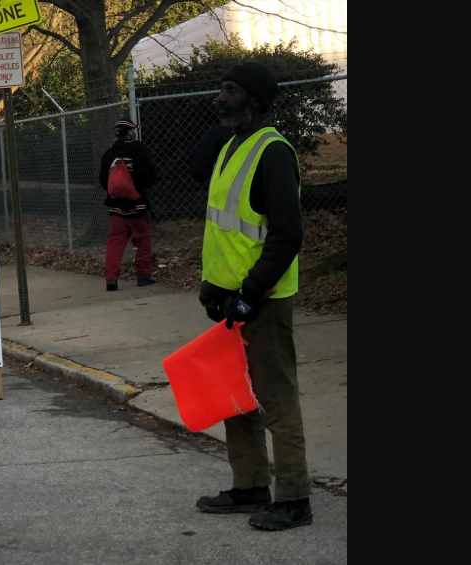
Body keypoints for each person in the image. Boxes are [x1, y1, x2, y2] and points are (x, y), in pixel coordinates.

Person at [194, 61, 311, 531]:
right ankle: (249, 486)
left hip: (262, 299)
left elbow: (287, 234)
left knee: (275, 397)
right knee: (233, 395)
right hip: (229, 297)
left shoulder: (273, 152)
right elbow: (223, 226)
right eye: (221, 89)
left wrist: (251, 291)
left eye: (231, 91)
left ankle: (294, 498)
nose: (221, 97)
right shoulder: (231, 145)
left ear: (257, 100)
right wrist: (213, 287)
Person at [97, 119, 157, 291]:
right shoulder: (138, 148)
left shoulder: (108, 154)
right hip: (137, 205)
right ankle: (143, 275)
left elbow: (103, 180)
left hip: (116, 207)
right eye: (133, 130)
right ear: (130, 132)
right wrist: (139, 189)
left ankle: (111, 278)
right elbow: (149, 175)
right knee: (143, 239)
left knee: (115, 241)